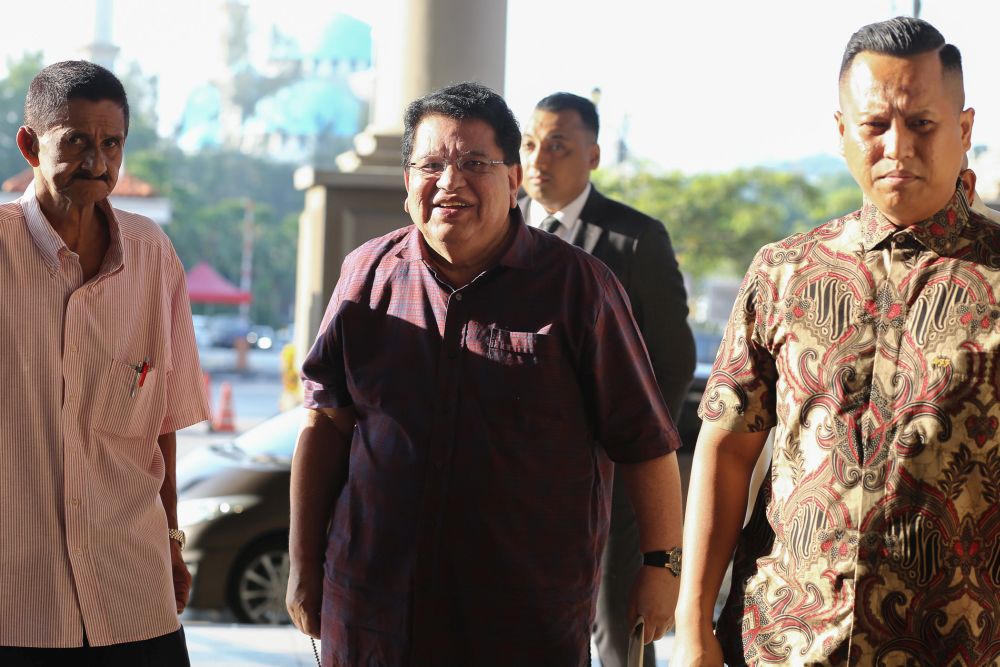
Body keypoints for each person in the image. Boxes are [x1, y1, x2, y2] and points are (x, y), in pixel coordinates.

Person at [286, 81, 684, 666]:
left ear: (513, 179)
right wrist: (303, 564)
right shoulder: (366, 275)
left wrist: (660, 567)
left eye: (475, 163)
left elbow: (646, 443)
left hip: (521, 621)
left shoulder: (580, 288)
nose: (450, 182)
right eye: (431, 165)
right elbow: (325, 428)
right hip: (375, 611)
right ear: (406, 183)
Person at [673, 16, 1000, 665]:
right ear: (843, 132)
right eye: (875, 125)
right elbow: (728, 448)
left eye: (922, 124)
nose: (897, 146)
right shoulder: (784, 271)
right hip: (780, 644)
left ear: (962, 130)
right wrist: (692, 627)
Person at [0, 61, 209, 665]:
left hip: (130, 583)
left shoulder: (153, 254)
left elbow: (162, 418)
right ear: (29, 145)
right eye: (75, 142)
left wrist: (170, 539)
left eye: (110, 143)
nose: (96, 162)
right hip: (17, 595)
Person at [519, 92, 695, 667]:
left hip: (610, 478)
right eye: (529, 144)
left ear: (592, 156)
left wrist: (629, 450)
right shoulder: (495, 229)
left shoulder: (635, 240)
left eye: (558, 146)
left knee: (618, 637)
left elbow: (673, 360)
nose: (538, 158)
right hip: (511, 478)